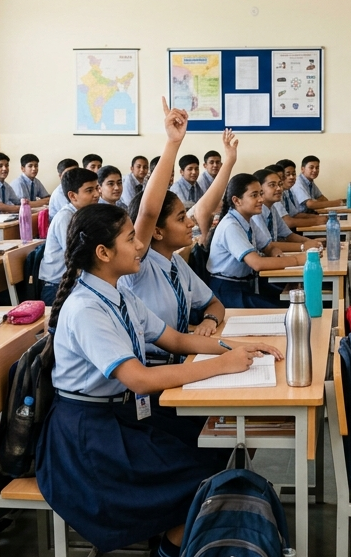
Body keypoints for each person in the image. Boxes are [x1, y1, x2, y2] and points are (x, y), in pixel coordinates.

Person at [35, 203, 280, 556]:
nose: (140, 246)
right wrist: (224, 364)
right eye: (131, 238)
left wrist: (240, 345)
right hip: (89, 438)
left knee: (218, 442)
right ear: (103, 253)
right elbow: (139, 379)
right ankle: (168, 548)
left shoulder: (119, 294)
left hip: (124, 415)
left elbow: (177, 339)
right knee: (198, 479)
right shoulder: (86, 308)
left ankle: (183, 537)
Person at [120, 100, 227, 365]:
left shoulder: (176, 263)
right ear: (156, 231)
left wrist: (209, 321)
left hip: (182, 356)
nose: (190, 224)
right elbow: (147, 212)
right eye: (182, 218)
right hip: (150, 366)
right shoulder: (138, 264)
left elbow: (215, 304)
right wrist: (172, 143)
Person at [207, 174, 305, 309]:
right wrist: (299, 260)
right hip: (227, 291)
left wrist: (277, 255)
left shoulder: (248, 220)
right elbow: (257, 263)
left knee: (293, 303)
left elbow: (269, 246)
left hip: (246, 285)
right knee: (286, 309)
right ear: (237, 200)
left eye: (260, 194)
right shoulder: (231, 226)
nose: (260, 199)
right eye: (254, 195)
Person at [40, 168, 100, 305]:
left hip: (75, 281)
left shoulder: (85, 214)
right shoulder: (65, 218)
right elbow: (77, 257)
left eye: (97, 188)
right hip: (57, 287)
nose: (97, 194)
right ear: (72, 196)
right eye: (90, 190)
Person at [252, 167, 322, 251]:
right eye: (272, 185)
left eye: (280, 184)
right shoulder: (256, 213)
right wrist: (303, 246)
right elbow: (268, 245)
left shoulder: (272, 208)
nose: (279, 188)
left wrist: (311, 242)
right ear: (259, 189)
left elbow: (288, 235)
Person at [275, 159, 325, 230]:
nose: (292, 177)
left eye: (294, 174)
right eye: (287, 174)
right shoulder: (276, 196)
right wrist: (316, 221)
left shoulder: (286, 192)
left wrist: (318, 218)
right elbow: (288, 222)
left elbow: (295, 214)